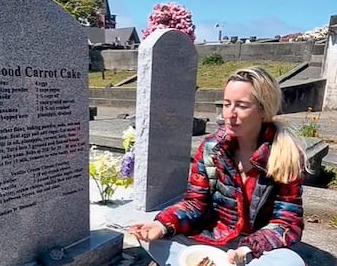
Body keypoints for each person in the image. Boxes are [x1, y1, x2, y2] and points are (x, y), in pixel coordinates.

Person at [129, 67, 308, 266]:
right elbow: (195, 203)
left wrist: (246, 251)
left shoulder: (285, 153)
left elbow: (287, 221)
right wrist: (161, 225)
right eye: (226, 104)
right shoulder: (211, 149)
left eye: (241, 105)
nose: (230, 114)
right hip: (214, 238)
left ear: (263, 109)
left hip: (255, 249)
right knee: (152, 240)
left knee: (291, 262)